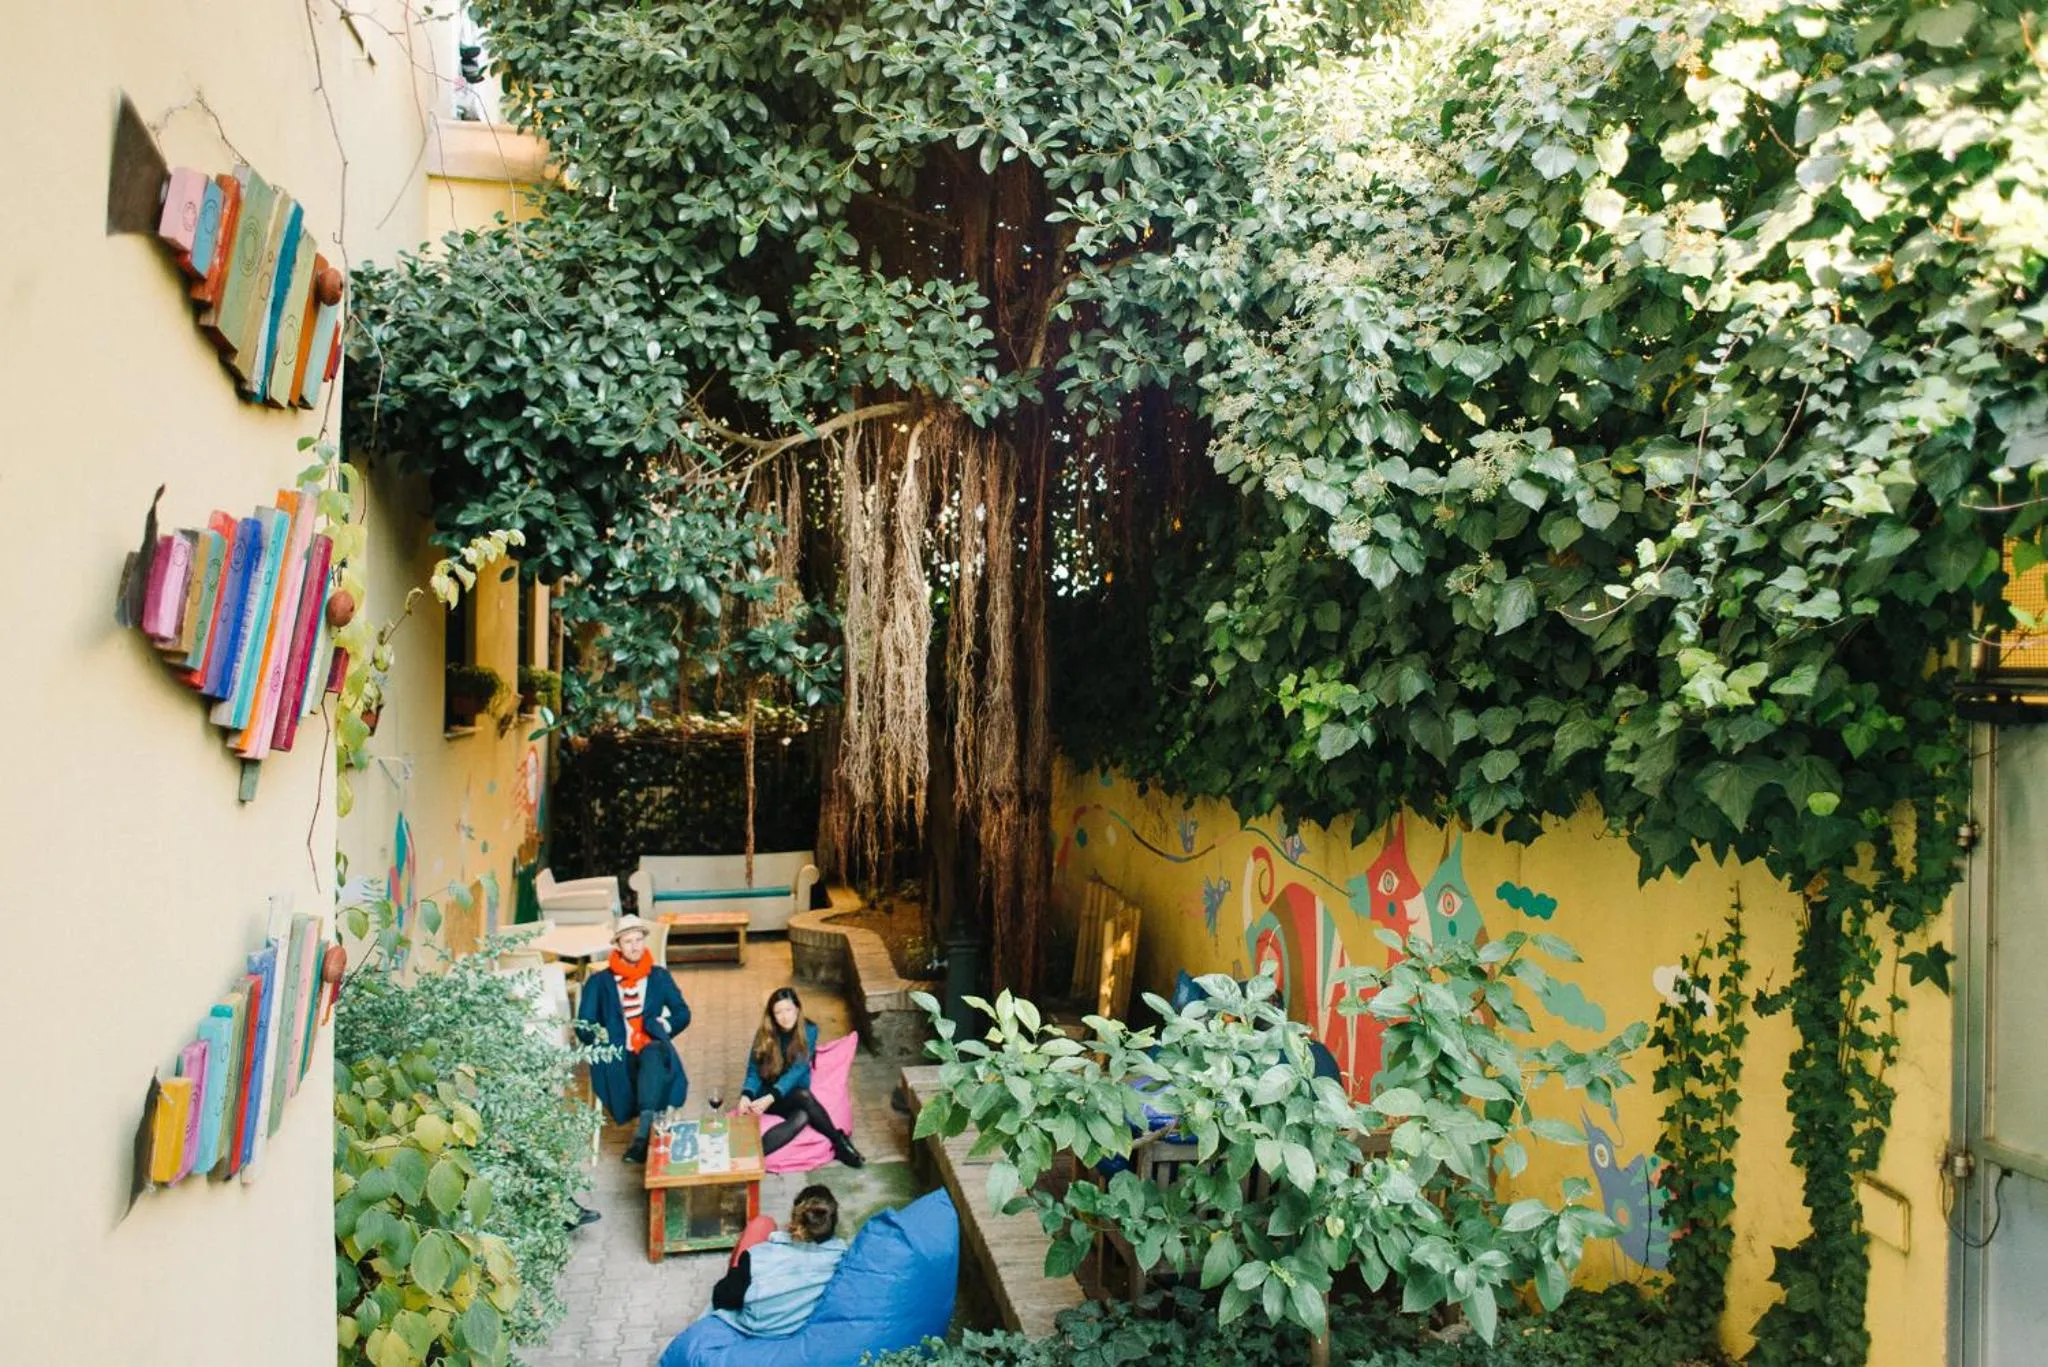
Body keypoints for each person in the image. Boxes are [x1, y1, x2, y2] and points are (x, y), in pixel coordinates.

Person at [576, 915, 690, 1164]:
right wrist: (601, 1035)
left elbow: (683, 1013)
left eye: (639, 939)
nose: (635, 946)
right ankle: (650, 1130)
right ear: (617, 945)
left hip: (652, 1050)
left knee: (653, 1052)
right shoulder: (599, 982)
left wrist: (665, 1025)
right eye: (628, 941)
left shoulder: (659, 976)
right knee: (652, 1062)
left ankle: (641, 1137)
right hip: (618, 1056)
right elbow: (583, 1026)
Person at [738, 986, 864, 1167]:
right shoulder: (764, 1034)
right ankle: (840, 1143)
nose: (784, 1016)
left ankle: (753, 1155)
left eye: (788, 1010)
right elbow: (753, 1070)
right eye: (778, 1012)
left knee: (803, 1115)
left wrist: (772, 1096)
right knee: (804, 1099)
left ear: (797, 1009)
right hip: (766, 1095)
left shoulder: (809, 1030)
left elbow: (798, 1070)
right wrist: (747, 1094)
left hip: (788, 1093)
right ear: (772, 1015)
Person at [707, 1185, 847, 1337]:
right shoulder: (842, 1259)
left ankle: (736, 1270)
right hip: (796, 1331)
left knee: (762, 1223)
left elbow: (722, 1299)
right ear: (834, 1222)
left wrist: (738, 1271)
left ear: (795, 1219)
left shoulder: (758, 1256)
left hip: (752, 1327)